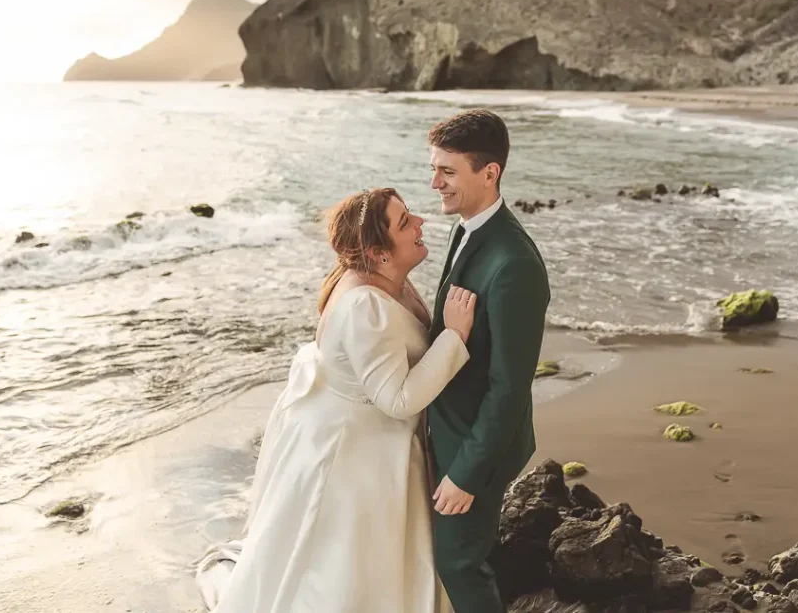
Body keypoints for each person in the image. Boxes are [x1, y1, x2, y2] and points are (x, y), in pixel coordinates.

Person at [196, 187, 477, 613]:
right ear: (378, 252)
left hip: (364, 438)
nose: (419, 222)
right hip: (354, 453)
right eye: (405, 222)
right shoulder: (364, 306)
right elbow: (397, 400)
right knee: (339, 566)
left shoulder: (382, 279)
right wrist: (455, 337)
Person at [425, 109, 551, 613]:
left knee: (459, 564)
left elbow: (510, 386)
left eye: (447, 171)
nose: (434, 182)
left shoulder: (514, 263)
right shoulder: (469, 228)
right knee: (461, 557)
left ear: (490, 173)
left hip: (477, 446)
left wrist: (467, 474)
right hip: (452, 429)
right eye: (433, 168)